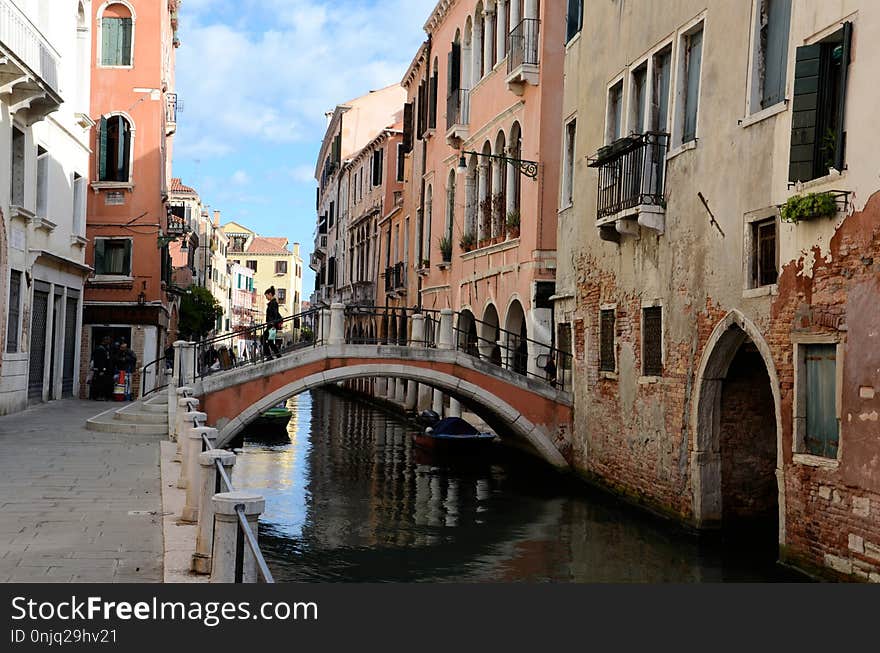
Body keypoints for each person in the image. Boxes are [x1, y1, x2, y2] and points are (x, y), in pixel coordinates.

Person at [262, 287, 282, 360]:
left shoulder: (273, 303)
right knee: (270, 341)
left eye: (266, 296)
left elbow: (275, 314)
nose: (266, 298)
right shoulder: (273, 303)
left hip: (272, 326)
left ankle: (269, 356)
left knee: (264, 338)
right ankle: (277, 355)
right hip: (272, 325)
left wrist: (273, 325)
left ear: (270, 294)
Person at [91, 336, 112, 400]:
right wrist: (101, 370)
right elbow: (100, 361)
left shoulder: (105, 348)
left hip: (103, 369)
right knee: (99, 383)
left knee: (101, 383)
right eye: (108, 340)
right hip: (100, 369)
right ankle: (97, 396)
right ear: (105, 340)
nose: (109, 342)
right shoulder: (100, 349)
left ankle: (100, 396)